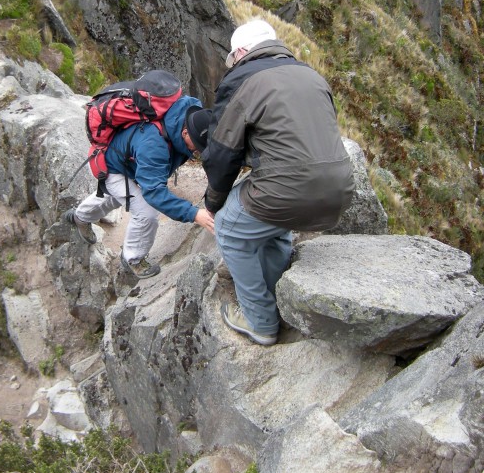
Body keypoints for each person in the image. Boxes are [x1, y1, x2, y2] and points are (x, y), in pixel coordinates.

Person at [201, 18, 354, 346]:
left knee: (230, 227)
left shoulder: (242, 79)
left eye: (232, 58)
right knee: (274, 223)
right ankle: (278, 297)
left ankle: (261, 322)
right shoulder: (311, 75)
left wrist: (213, 202)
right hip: (340, 190)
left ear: (241, 52)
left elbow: (222, 153)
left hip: (289, 191)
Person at [64, 95, 216, 278]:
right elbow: (154, 194)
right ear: (185, 133)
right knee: (146, 210)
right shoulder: (154, 145)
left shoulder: (191, 114)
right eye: (198, 146)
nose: (198, 151)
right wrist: (194, 214)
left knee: (115, 196)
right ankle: (132, 259)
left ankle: (80, 217)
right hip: (109, 166)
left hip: (124, 161)